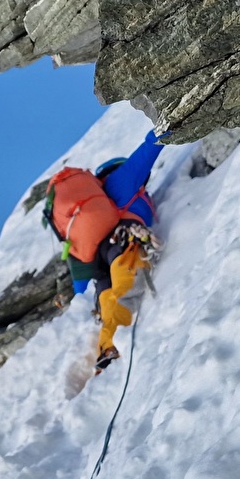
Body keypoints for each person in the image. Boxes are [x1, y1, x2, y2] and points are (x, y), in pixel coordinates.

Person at [42, 129, 164, 372]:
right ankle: (116, 334)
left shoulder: (92, 218)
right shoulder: (121, 180)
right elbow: (147, 152)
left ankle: (107, 345)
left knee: (107, 292)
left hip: (99, 260)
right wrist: (165, 127)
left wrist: (79, 294)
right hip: (123, 242)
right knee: (125, 287)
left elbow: (80, 272)